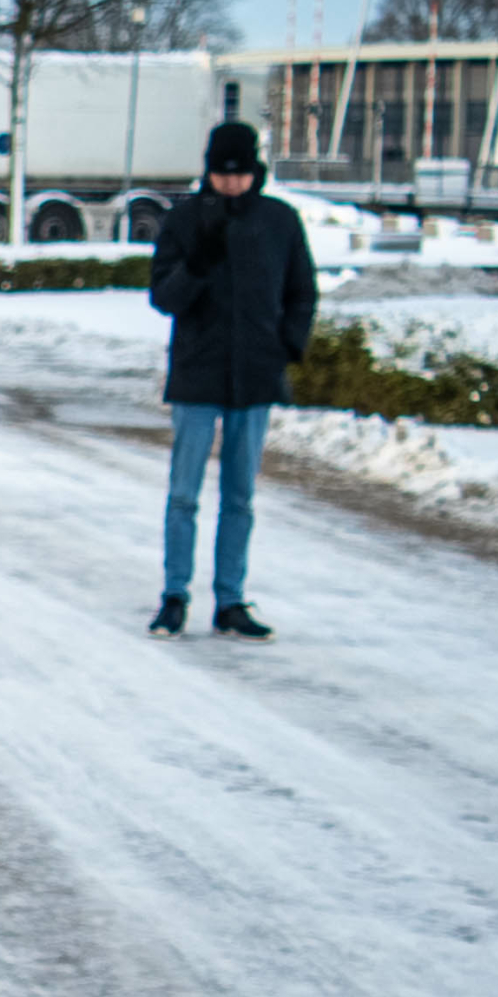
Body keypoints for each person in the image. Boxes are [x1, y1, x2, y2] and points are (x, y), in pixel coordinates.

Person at [142, 117, 315, 638]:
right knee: (184, 495)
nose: (231, 183)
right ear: (209, 172)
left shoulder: (279, 220)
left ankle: (231, 600)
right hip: (198, 374)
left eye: (239, 175)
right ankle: (175, 596)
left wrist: (288, 343)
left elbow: (301, 290)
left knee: (240, 496)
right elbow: (163, 298)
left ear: (255, 172)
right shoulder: (184, 220)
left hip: (255, 376)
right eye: (221, 174)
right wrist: (196, 265)